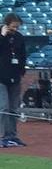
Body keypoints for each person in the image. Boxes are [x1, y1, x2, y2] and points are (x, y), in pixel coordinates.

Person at [0, 12, 27, 147]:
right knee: (4, 107)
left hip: (14, 76)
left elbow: (23, 55)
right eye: (12, 27)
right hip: (1, 77)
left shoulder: (19, 37)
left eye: (17, 27)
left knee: (14, 108)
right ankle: (3, 136)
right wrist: (2, 36)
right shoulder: (2, 36)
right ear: (6, 24)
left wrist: (21, 70)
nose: (15, 29)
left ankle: (12, 135)